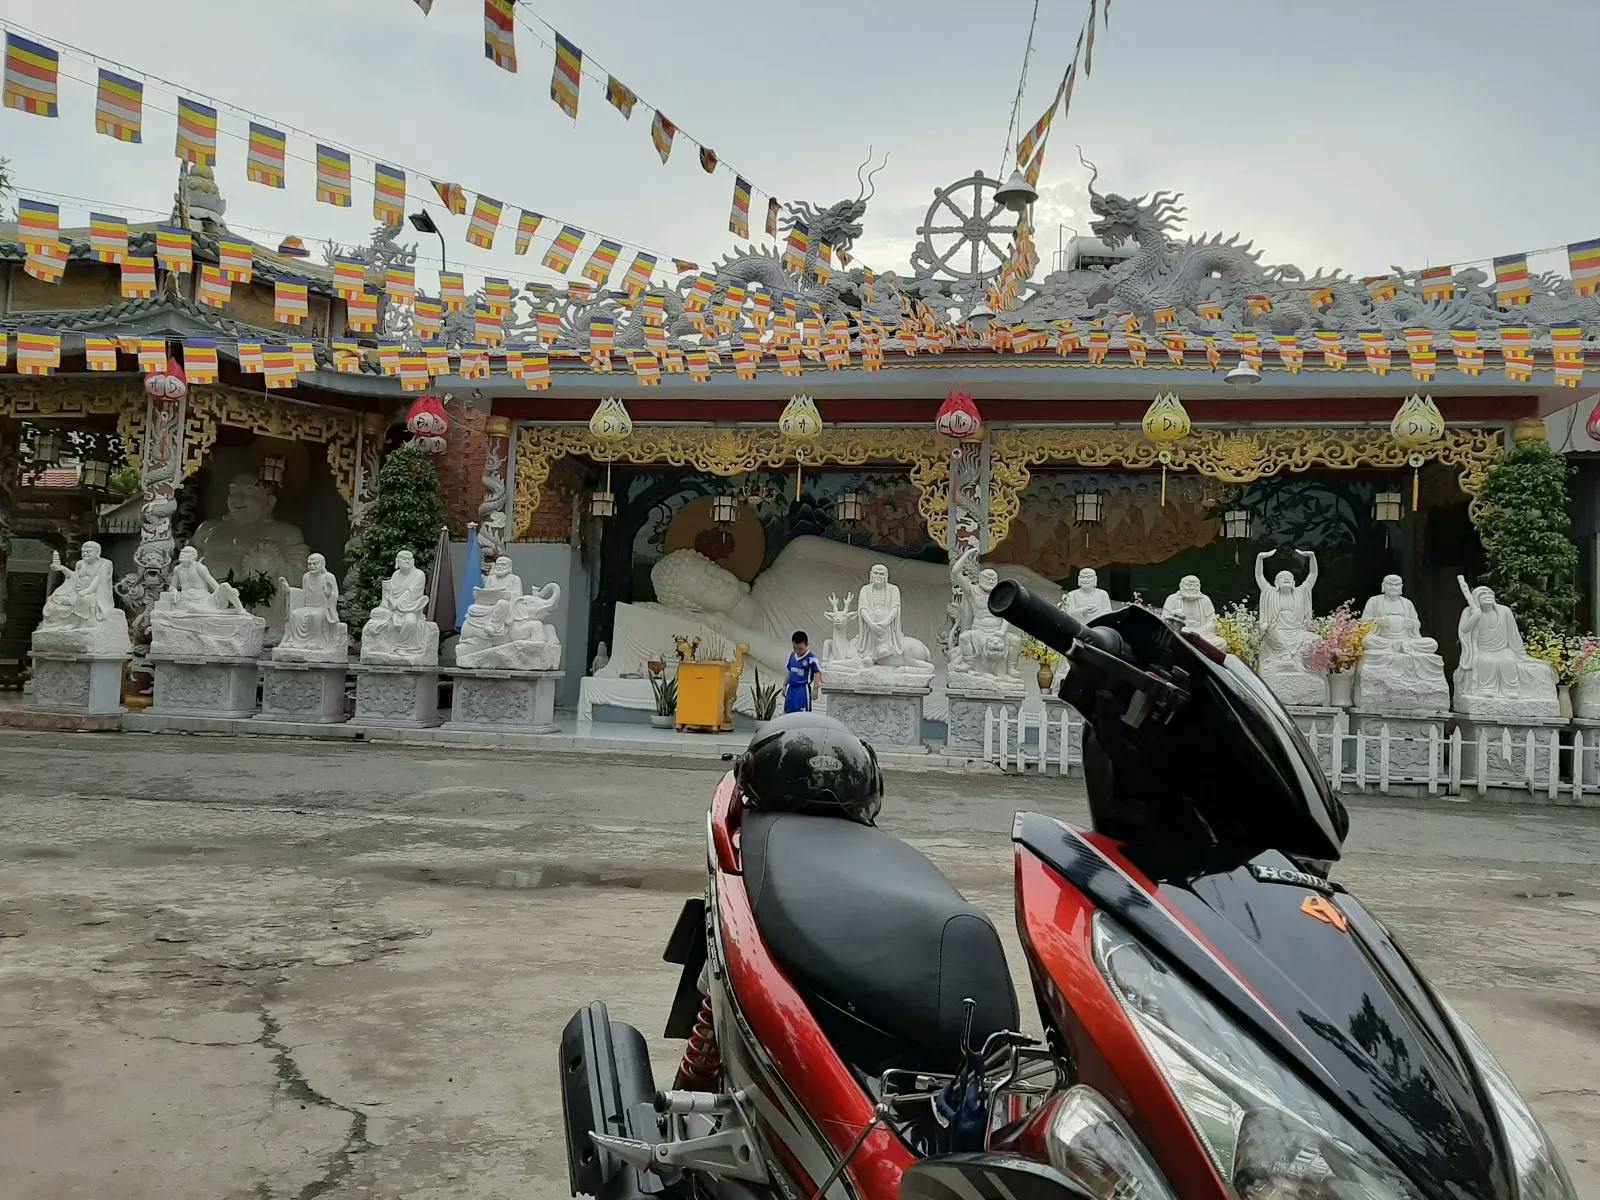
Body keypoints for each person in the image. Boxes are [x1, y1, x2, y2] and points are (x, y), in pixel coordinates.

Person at [785, 631, 821, 714]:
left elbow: (817, 673)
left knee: (802, 715)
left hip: (802, 690)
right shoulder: (792, 655)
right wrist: (784, 685)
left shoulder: (811, 658)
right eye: (794, 648)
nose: (797, 651)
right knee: (788, 714)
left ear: (807, 645)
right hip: (791, 689)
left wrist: (815, 689)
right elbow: (790, 671)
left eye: (800, 649)